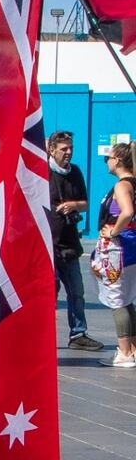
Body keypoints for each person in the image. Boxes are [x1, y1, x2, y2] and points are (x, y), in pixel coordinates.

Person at [48, 130, 104, 352]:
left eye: (70, 148)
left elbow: (85, 203)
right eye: (64, 149)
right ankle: (44, 336)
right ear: (52, 150)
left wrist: (73, 206)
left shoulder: (76, 172)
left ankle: (78, 333)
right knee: (48, 293)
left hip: (70, 243)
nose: (68, 152)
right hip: (49, 244)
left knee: (77, 292)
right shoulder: (42, 172)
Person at [95, 142, 136, 367]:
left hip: (120, 247)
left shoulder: (123, 185)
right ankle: (133, 348)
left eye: (107, 158)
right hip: (130, 246)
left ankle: (124, 352)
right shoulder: (133, 183)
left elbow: (128, 211)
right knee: (128, 297)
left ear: (118, 160)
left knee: (117, 297)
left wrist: (114, 230)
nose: (107, 162)